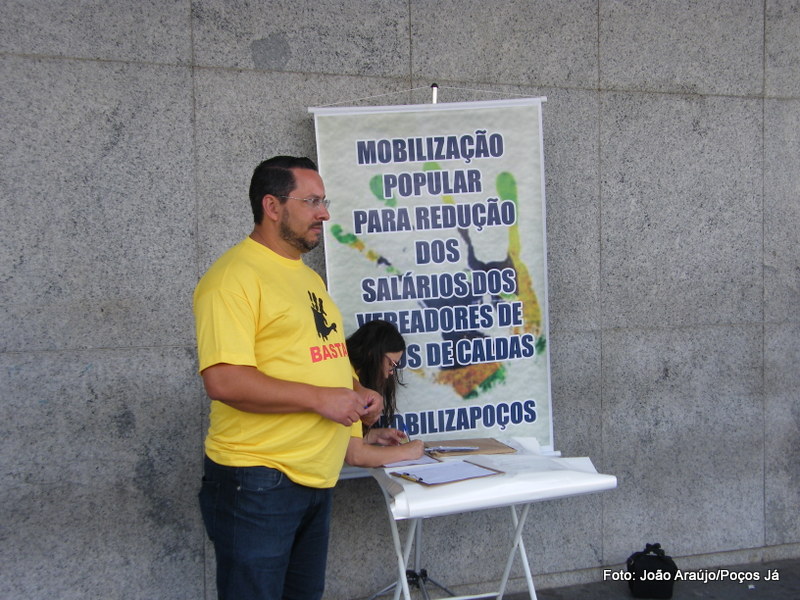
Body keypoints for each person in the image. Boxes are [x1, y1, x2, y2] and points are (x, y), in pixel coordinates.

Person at [193, 156, 416, 600]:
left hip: (314, 477)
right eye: (312, 201)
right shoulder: (233, 278)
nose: (324, 213)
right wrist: (321, 399)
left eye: (324, 201)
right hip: (258, 481)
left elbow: (322, 358)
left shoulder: (308, 279)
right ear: (272, 206)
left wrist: (358, 393)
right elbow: (224, 381)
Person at [343, 320, 425, 465]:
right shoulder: (349, 384)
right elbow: (355, 455)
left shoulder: (346, 371)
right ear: (372, 353)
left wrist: (374, 436)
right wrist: (407, 451)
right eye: (391, 364)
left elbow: (340, 440)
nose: (390, 373)